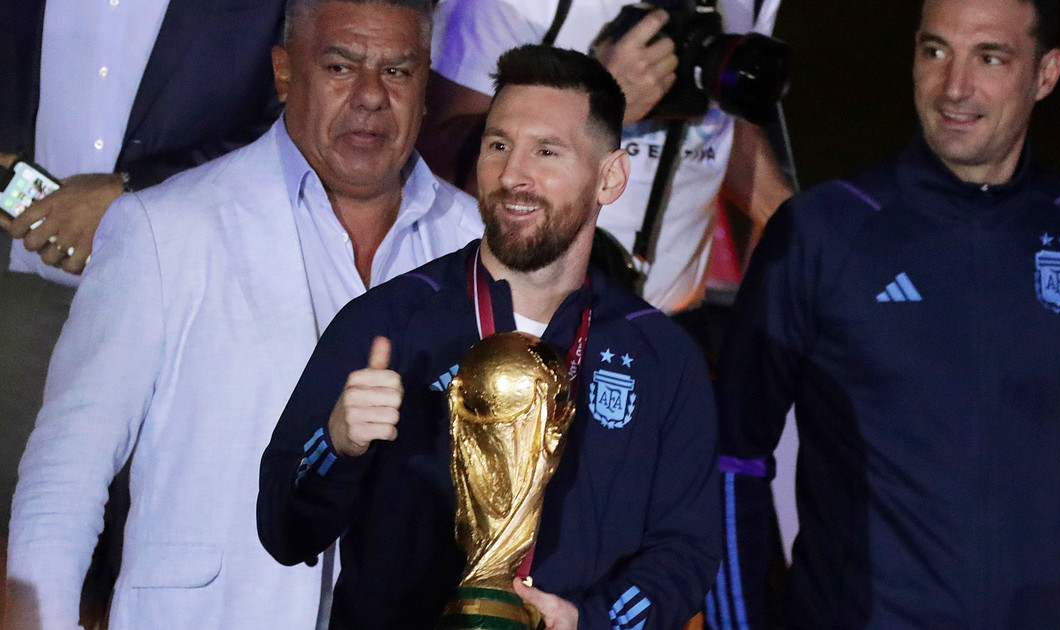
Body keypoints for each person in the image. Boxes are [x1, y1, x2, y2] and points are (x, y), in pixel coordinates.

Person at [6, 0, 482, 628]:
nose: (371, 96)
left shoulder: (477, 246)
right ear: (284, 73)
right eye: (340, 67)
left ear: (426, 89)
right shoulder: (162, 228)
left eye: (397, 71)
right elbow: (65, 478)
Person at [715, 0, 1060, 628]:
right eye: (935, 51)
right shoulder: (824, 231)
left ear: (1046, 74)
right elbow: (733, 463)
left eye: (990, 58)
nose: (954, 87)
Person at [258, 44, 720, 630]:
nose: (512, 175)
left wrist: (593, 622)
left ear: (609, 177)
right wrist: (337, 444)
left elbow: (685, 552)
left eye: (546, 151)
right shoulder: (390, 323)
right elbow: (283, 532)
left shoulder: (661, 357)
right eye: (498, 145)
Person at [0, 0, 287, 551]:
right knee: (23, 555)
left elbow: (295, 126)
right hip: (20, 306)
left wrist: (131, 195)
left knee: (148, 553)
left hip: (181, 320)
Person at [417, 0, 793, 315]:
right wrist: (600, 99)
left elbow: (725, 129)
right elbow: (441, 154)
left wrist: (801, 227)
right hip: (516, 318)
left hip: (672, 327)